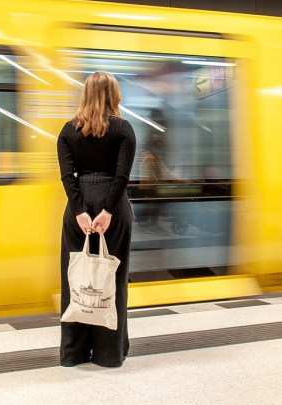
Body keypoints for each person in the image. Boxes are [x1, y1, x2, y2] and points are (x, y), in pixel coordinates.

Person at [56, 71, 136, 367]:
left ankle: (73, 353)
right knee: (112, 279)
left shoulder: (67, 131)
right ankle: (107, 354)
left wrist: (79, 211)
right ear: (114, 95)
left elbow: (67, 176)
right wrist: (108, 211)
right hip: (112, 207)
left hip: (77, 209)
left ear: (85, 94)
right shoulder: (124, 129)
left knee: (75, 278)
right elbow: (122, 176)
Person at [138, 131, 174, 235]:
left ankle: (148, 222)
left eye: (160, 141)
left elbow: (166, 172)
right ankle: (153, 226)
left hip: (153, 187)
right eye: (156, 142)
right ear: (149, 144)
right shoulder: (149, 158)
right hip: (150, 189)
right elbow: (150, 179)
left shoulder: (157, 157)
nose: (160, 144)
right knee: (156, 200)